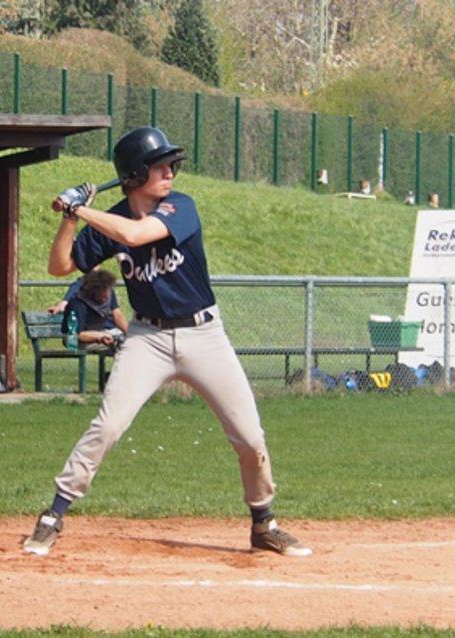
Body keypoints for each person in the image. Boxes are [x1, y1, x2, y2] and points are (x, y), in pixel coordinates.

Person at [22, 127, 311, 558]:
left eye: (171, 164)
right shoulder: (113, 220)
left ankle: (263, 522)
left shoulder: (181, 207)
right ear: (135, 173)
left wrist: (82, 209)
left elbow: (136, 237)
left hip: (203, 334)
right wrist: (69, 218)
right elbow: (60, 265)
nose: (170, 172)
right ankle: (54, 515)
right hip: (147, 338)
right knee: (109, 425)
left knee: (249, 437)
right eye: (160, 165)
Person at [59, 268, 128, 352]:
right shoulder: (78, 304)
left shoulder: (108, 293)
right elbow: (78, 334)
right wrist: (100, 337)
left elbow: (117, 315)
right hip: (74, 339)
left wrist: (130, 334)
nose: (105, 297)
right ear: (92, 292)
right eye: (101, 296)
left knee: (128, 342)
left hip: (100, 333)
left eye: (107, 292)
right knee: (120, 345)